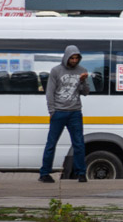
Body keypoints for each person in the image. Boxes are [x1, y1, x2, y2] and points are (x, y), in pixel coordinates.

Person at [38, 45, 90, 183]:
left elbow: (85, 92)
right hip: (59, 112)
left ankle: (81, 173)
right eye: (71, 58)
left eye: (76, 58)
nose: (74, 61)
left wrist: (83, 81)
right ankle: (44, 173)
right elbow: (50, 92)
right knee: (51, 143)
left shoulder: (82, 71)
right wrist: (52, 111)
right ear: (66, 57)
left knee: (79, 143)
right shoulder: (56, 71)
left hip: (75, 112)